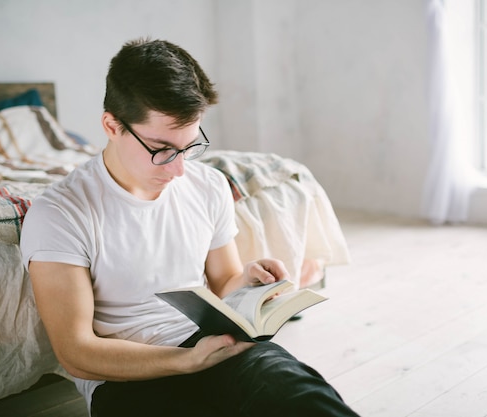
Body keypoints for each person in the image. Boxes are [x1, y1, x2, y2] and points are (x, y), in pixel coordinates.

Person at [20, 38, 359, 417]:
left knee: (307, 400)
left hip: (214, 346)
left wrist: (249, 282)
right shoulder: (60, 213)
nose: (178, 169)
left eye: (189, 146)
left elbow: (224, 281)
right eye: (161, 149)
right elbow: (77, 353)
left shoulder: (209, 184)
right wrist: (186, 361)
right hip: (126, 379)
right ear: (111, 125)